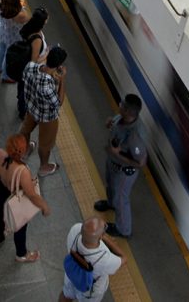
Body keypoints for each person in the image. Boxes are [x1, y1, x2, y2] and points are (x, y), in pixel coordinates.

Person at [0, 134, 50, 262]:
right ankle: (21, 254)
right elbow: (32, 195)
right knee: (19, 227)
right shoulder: (23, 171)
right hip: (13, 196)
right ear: (22, 151)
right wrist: (44, 206)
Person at [94, 94, 147, 239]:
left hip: (124, 171)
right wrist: (109, 123)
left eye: (122, 105)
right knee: (110, 186)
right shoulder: (121, 118)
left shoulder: (135, 136)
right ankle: (111, 203)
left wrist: (117, 154)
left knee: (121, 199)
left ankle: (123, 230)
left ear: (129, 112)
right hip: (113, 163)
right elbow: (114, 127)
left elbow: (140, 163)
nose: (119, 105)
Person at [19, 46, 68, 177]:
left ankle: (25, 151)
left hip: (31, 109)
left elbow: (26, 80)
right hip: (47, 118)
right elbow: (58, 103)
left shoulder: (30, 67)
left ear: (47, 57)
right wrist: (62, 80)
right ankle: (43, 167)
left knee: (25, 130)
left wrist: (52, 77)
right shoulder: (47, 86)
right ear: (59, 65)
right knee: (45, 144)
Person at [58, 218, 125, 301]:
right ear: (100, 236)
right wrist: (106, 238)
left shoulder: (76, 229)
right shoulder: (104, 259)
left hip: (72, 275)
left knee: (66, 295)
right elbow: (123, 259)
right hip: (89, 290)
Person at [13, 7, 50, 119]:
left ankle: (20, 99)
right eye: (46, 18)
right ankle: (22, 110)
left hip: (22, 66)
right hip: (29, 70)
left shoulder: (29, 26)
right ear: (42, 22)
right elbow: (33, 61)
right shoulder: (37, 39)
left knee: (21, 86)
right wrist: (46, 54)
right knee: (25, 90)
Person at [0, 0, 30, 81]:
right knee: (8, 55)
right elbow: (27, 19)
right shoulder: (20, 14)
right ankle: (6, 76)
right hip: (13, 37)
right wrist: (23, 7)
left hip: (2, 32)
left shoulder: (0, 4)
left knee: (1, 49)